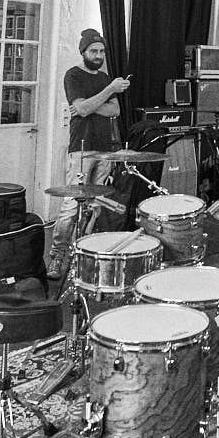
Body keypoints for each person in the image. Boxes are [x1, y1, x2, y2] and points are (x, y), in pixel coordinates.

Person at [48, 28, 129, 276]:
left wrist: (90, 104)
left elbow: (114, 111)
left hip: (105, 149)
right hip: (81, 149)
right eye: (94, 51)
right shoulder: (73, 75)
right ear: (83, 52)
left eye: (102, 51)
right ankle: (57, 256)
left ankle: (83, 254)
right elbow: (81, 110)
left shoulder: (105, 78)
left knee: (95, 205)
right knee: (71, 206)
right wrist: (107, 92)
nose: (99, 55)